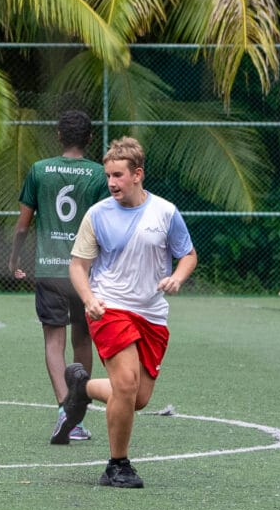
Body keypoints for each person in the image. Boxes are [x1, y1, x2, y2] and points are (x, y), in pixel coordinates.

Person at [55, 136, 197, 487]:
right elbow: (77, 266)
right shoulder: (97, 214)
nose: (112, 183)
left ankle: (82, 388)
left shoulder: (165, 212)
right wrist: (88, 299)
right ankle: (117, 465)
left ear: (138, 174)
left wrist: (178, 277)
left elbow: (188, 254)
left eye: (118, 175)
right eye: (108, 176)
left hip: (151, 314)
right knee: (127, 383)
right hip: (109, 307)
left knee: (139, 398)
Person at [13, 109, 109, 444]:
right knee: (83, 339)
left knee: (53, 342)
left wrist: (14, 258)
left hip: (50, 270)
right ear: (90, 139)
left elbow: (24, 224)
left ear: (58, 136)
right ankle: (78, 412)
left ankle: (63, 409)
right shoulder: (99, 175)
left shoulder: (40, 170)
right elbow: (104, 224)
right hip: (84, 272)